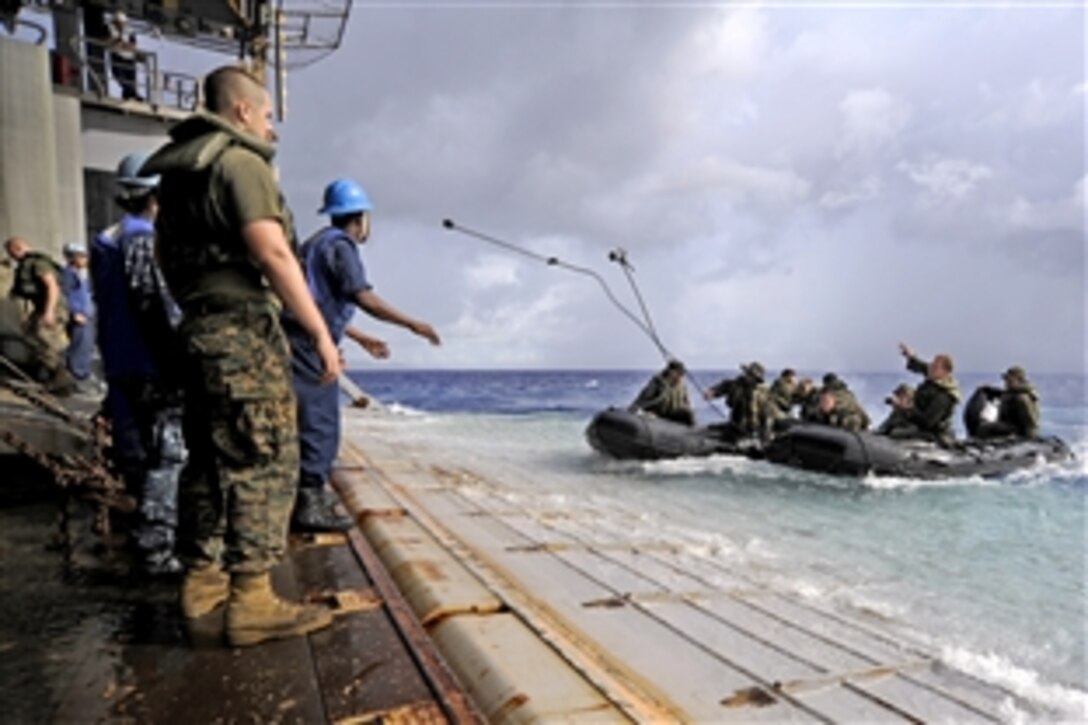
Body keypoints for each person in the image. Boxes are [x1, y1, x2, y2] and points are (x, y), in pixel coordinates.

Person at [142, 65, 342, 647]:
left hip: (197, 331)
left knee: (206, 462)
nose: (272, 128)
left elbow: (164, 255)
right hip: (241, 334)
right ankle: (252, 600)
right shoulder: (241, 162)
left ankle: (200, 587)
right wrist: (320, 333)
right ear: (243, 113)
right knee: (265, 459)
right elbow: (274, 252)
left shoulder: (178, 177)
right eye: (268, 115)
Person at [282, 177, 440, 532]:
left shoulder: (315, 243)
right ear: (360, 218)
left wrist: (360, 336)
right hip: (308, 344)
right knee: (320, 422)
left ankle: (307, 497)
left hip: (298, 337)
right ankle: (309, 504)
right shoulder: (341, 247)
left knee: (306, 418)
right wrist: (412, 324)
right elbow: (362, 296)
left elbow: (317, 300)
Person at [91, 152, 184, 576]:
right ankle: (157, 547)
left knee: (135, 453)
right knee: (167, 455)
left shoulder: (105, 240)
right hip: (151, 364)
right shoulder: (144, 239)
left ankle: (140, 534)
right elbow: (158, 307)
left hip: (118, 364)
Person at [3, 236, 73, 394]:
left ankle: (61, 377)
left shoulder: (37, 263)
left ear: (16, 248)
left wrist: (49, 312)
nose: (11, 257)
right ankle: (55, 376)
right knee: (31, 336)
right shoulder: (25, 265)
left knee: (45, 339)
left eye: (10, 253)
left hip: (52, 307)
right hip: (41, 307)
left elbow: (52, 287)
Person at [897, 342, 961, 445]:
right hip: (919, 423)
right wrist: (909, 356)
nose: (930, 368)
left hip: (934, 434)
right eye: (932, 364)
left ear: (945, 372)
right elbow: (922, 366)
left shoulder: (944, 396)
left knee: (897, 434)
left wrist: (908, 409)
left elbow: (927, 422)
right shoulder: (935, 376)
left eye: (935, 367)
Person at [970, 366, 1040, 439]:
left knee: (984, 428)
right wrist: (988, 389)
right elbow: (1003, 393)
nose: (1006, 382)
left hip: (1017, 430)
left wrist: (1030, 439)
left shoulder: (1022, 398)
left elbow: (1030, 423)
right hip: (1008, 425)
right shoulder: (1013, 392)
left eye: (1009, 379)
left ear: (1018, 379)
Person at [705, 362, 769, 439]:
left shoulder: (761, 392)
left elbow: (766, 414)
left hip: (753, 428)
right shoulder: (738, 384)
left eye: (751, 375)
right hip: (736, 425)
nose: (748, 377)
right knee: (712, 429)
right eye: (748, 374)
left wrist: (766, 431)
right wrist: (713, 392)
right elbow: (725, 386)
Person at [60, 242, 95, 384]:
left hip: (87, 316)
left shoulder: (80, 275)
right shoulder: (68, 274)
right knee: (79, 346)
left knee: (86, 346)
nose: (85, 259)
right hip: (79, 316)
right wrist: (74, 312)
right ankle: (78, 376)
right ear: (73, 258)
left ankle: (84, 373)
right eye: (82, 257)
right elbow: (65, 295)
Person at [629, 359, 695, 426]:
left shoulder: (682, 386)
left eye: (682, 374)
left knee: (688, 412)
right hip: (657, 416)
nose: (681, 377)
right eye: (679, 374)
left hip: (673, 416)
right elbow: (643, 399)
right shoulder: (657, 383)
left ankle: (696, 433)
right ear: (671, 372)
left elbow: (687, 403)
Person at [108, 11, 141, 101]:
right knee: (120, 77)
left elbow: (132, 45)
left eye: (122, 23)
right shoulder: (109, 29)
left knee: (131, 79)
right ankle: (130, 93)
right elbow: (110, 42)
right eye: (118, 23)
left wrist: (121, 44)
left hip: (129, 58)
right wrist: (120, 43)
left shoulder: (130, 32)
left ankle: (131, 94)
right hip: (117, 56)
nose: (120, 25)